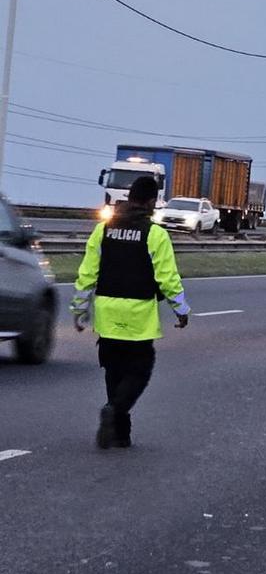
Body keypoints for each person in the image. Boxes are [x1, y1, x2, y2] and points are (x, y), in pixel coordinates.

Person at [71, 176, 190, 449]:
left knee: (113, 371)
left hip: (107, 313)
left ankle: (120, 434)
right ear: (151, 202)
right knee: (139, 370)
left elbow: (87, 274)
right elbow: (168, 279)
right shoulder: (155, 234)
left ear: (129, 197)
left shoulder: (103, 230)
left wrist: (79, 309)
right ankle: (114, 412)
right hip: (138, 316)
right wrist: (180, 310)